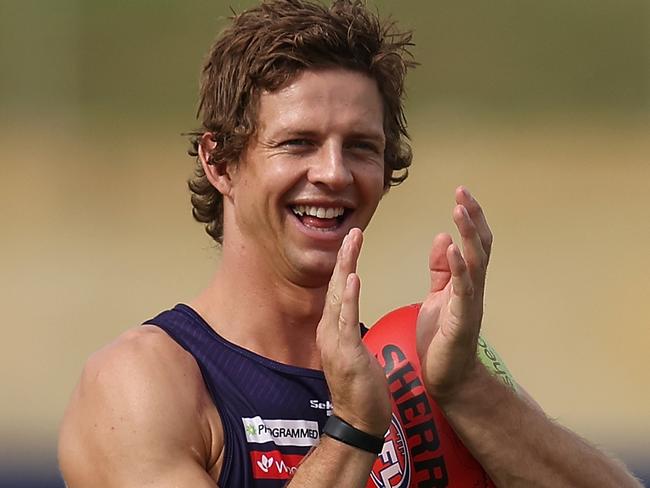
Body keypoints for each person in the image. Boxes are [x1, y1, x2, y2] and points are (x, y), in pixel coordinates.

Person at [58, 1, 642, 487]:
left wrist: (466, 390)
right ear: (220, 162)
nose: (334, 173)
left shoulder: (409, 369)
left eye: (361, 146)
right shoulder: (145, 383)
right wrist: (354, 429)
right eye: (298, 143)